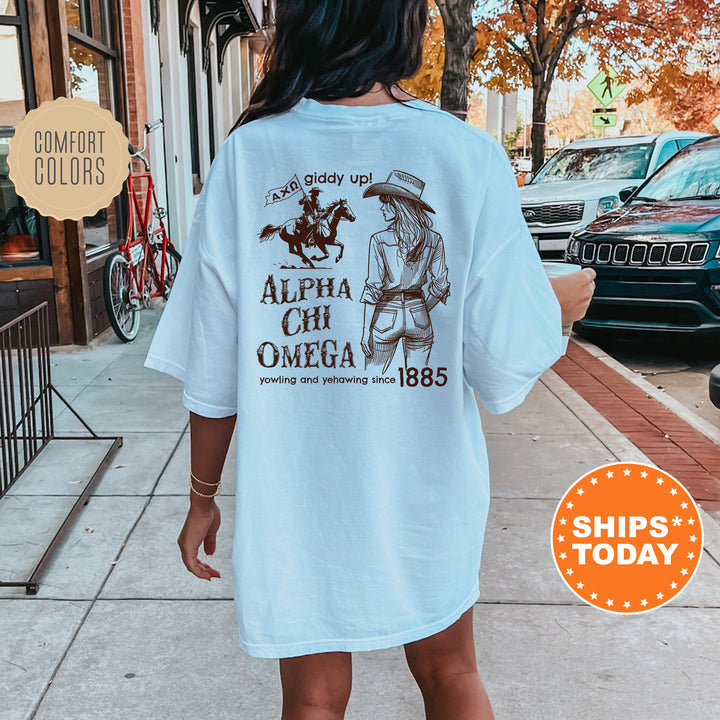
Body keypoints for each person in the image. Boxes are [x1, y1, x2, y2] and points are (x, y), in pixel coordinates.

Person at [144, 2, 596, 718]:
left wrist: (202, 497)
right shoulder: (465, 154)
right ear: (405, 23)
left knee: (315, 697)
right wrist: (561, 305)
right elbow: (502, 354)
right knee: (451, 673)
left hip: (298, 489)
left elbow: (213, 364)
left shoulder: (249, 154)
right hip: (426, 483)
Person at [360, 172, 450, 373]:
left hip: (385, 314)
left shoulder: (379, 239)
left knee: (373, 380)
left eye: (386, 202)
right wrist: (419, 309)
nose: (382, 208)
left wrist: (366, 331)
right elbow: (441, 285)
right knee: (418, 383)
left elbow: (372, 288)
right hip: (419, 315)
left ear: (399, 205)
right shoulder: (434, 240)